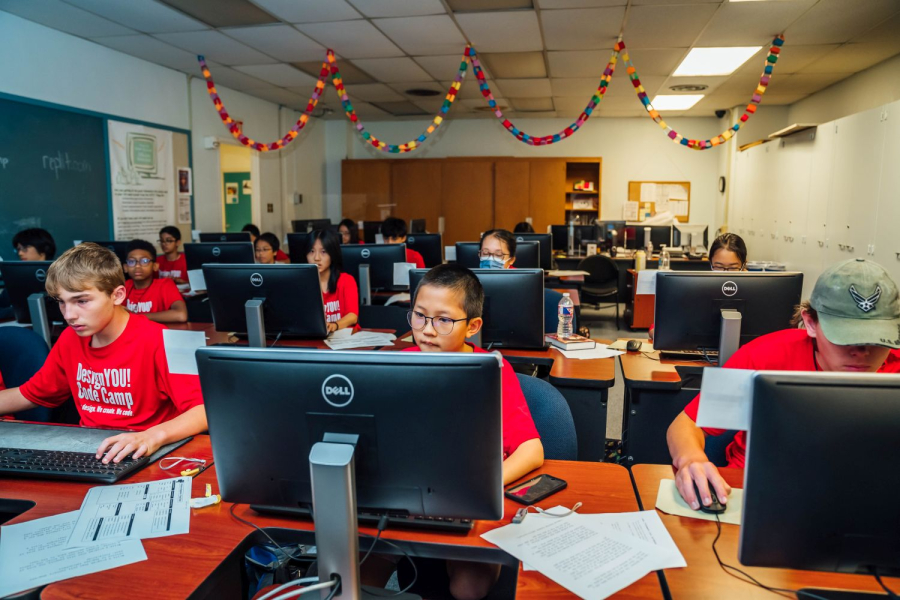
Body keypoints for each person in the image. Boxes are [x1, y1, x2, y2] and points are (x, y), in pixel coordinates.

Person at [666, 258, 900, 511]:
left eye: (877, 339)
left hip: (866, 499)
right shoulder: (765, 354)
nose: (862, 352)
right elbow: (687, 424)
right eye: (846, 338)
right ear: (810, 322)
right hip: (759, 491)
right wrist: (691, 459)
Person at [404, 264, 543, 599]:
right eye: (419, 316)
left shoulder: (492, 369)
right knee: (356, 563)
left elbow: (532, 450)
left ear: (473, 326)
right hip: (408, 496)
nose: (427, 330)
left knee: (468, 586)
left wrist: (479, 488)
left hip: (470, 498)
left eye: (443, 320)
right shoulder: (400, 362)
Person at [0, 243, 207, 462]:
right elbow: (29, 393)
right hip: (94, 451)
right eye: (62, 302)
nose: (69, 315)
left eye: (81, 301)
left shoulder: (166, 341)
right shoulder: (70, 338)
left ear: (117, 295)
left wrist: (151, 437)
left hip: (149, 451)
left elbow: (203, 411)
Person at [649, 232, 748, 341]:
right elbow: (656, 328)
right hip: (699, 351)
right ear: (711, 264)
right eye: (718, 267)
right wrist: (661, 334)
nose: (726, 273)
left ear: (744, 265)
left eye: (733, 268)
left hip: (745, 353)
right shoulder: (698, 288)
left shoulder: (756, 291)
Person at [306, 229, 358, 334]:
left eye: (323, 252)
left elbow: (352, 316)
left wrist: (335, 325)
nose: (316, 258)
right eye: (312, 251)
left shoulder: (346, 280)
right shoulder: (302, 284)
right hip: (315, 339)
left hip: (346, 336)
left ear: (332, 254)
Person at [123, 239, 188, 323]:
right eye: (131, 261)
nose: (137, 266)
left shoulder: (165, 285)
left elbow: (181, 315)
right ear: (125, 267)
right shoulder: (124, 287)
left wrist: (136, 316)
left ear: (155, 266)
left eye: (144, 261)